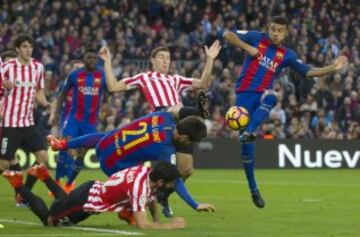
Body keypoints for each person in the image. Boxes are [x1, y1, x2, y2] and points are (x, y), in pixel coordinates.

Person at [222, 15, 348, 208]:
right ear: (269, 28)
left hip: (262, 94)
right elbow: (227, 34)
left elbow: (308, 71)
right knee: (247, 151)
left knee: (273, 96)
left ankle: (249, 132)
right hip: (244, 95)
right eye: (273, 29)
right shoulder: (256, 37)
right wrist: (247, 48)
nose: (276, 33)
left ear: (286, 32)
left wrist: (332, 67)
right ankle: (253, 188)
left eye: (280, 30)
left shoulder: (287, 54)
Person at [98, 40, 221, 216]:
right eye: (161, 57)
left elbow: (202, 83)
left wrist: (210, 59)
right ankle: (197, 110)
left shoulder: (176, 79)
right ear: (153, 60)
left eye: (168, 58)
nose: (165, 61)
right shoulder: (144, 77)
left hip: (181, 125)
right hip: (161, 122)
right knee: (174, 110)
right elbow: (113, 87)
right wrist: (107, 61)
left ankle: (162, 195)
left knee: (186, 170)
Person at [48, 111, 215, 213]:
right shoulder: (166, 150)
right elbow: (176, 180)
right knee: (149, 179)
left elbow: (175, 111)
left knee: (111, 134)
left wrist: (65, 144)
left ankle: (61, 144)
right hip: (113, 166)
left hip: (103, 145)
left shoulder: (163, 116)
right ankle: (127, 210)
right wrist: (195, 204)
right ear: (185, 137)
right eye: (190, 141)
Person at [3, 161, 187, 229]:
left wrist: (155, 219)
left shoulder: (145, 172)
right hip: (86, 202)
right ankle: (18, 184)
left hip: (92, 189)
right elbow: (142, 224)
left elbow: (151, 198)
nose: (171, 186)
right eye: (170, 183)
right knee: (50, 220)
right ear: (161, 182)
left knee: (62, 202)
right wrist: (168, 226)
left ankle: (44, 176)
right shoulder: (140, 188)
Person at [0, 34, 51, 198]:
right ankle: (22, 192)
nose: (28, 50)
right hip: (10, 123)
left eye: (30, 46)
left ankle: (25, 191)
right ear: (17, 49)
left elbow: (38, 90)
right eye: (24, 46)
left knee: (43, 157)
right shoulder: (7, 67)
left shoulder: (38, 67)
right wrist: (3, 86)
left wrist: (44, 103)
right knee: (4, 163)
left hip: (28, 123)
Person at [49, 50, 107, 193]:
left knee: (81, 154)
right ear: (84, 59)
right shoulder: (75, 75)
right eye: (89, 57)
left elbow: (109, 93)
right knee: (66, 145)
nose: (92, 59)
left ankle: (69, 183)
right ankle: (57, 182)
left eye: (94, 57)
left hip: (91, 122)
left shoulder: (102, 76)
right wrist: (56, 113)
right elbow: (62, 93)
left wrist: (106, 107)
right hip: (75, 118)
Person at [48, 60, 84, 191]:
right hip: (67, 120)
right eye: (75, 68)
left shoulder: (87, 87)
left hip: (83, 122)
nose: (78, 71)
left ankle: (67, 181)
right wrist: (53, 115)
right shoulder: (67, 85)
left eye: (80, 68)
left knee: (77, 152)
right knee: (66, 149)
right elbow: (56, 99)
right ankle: (60, 181)